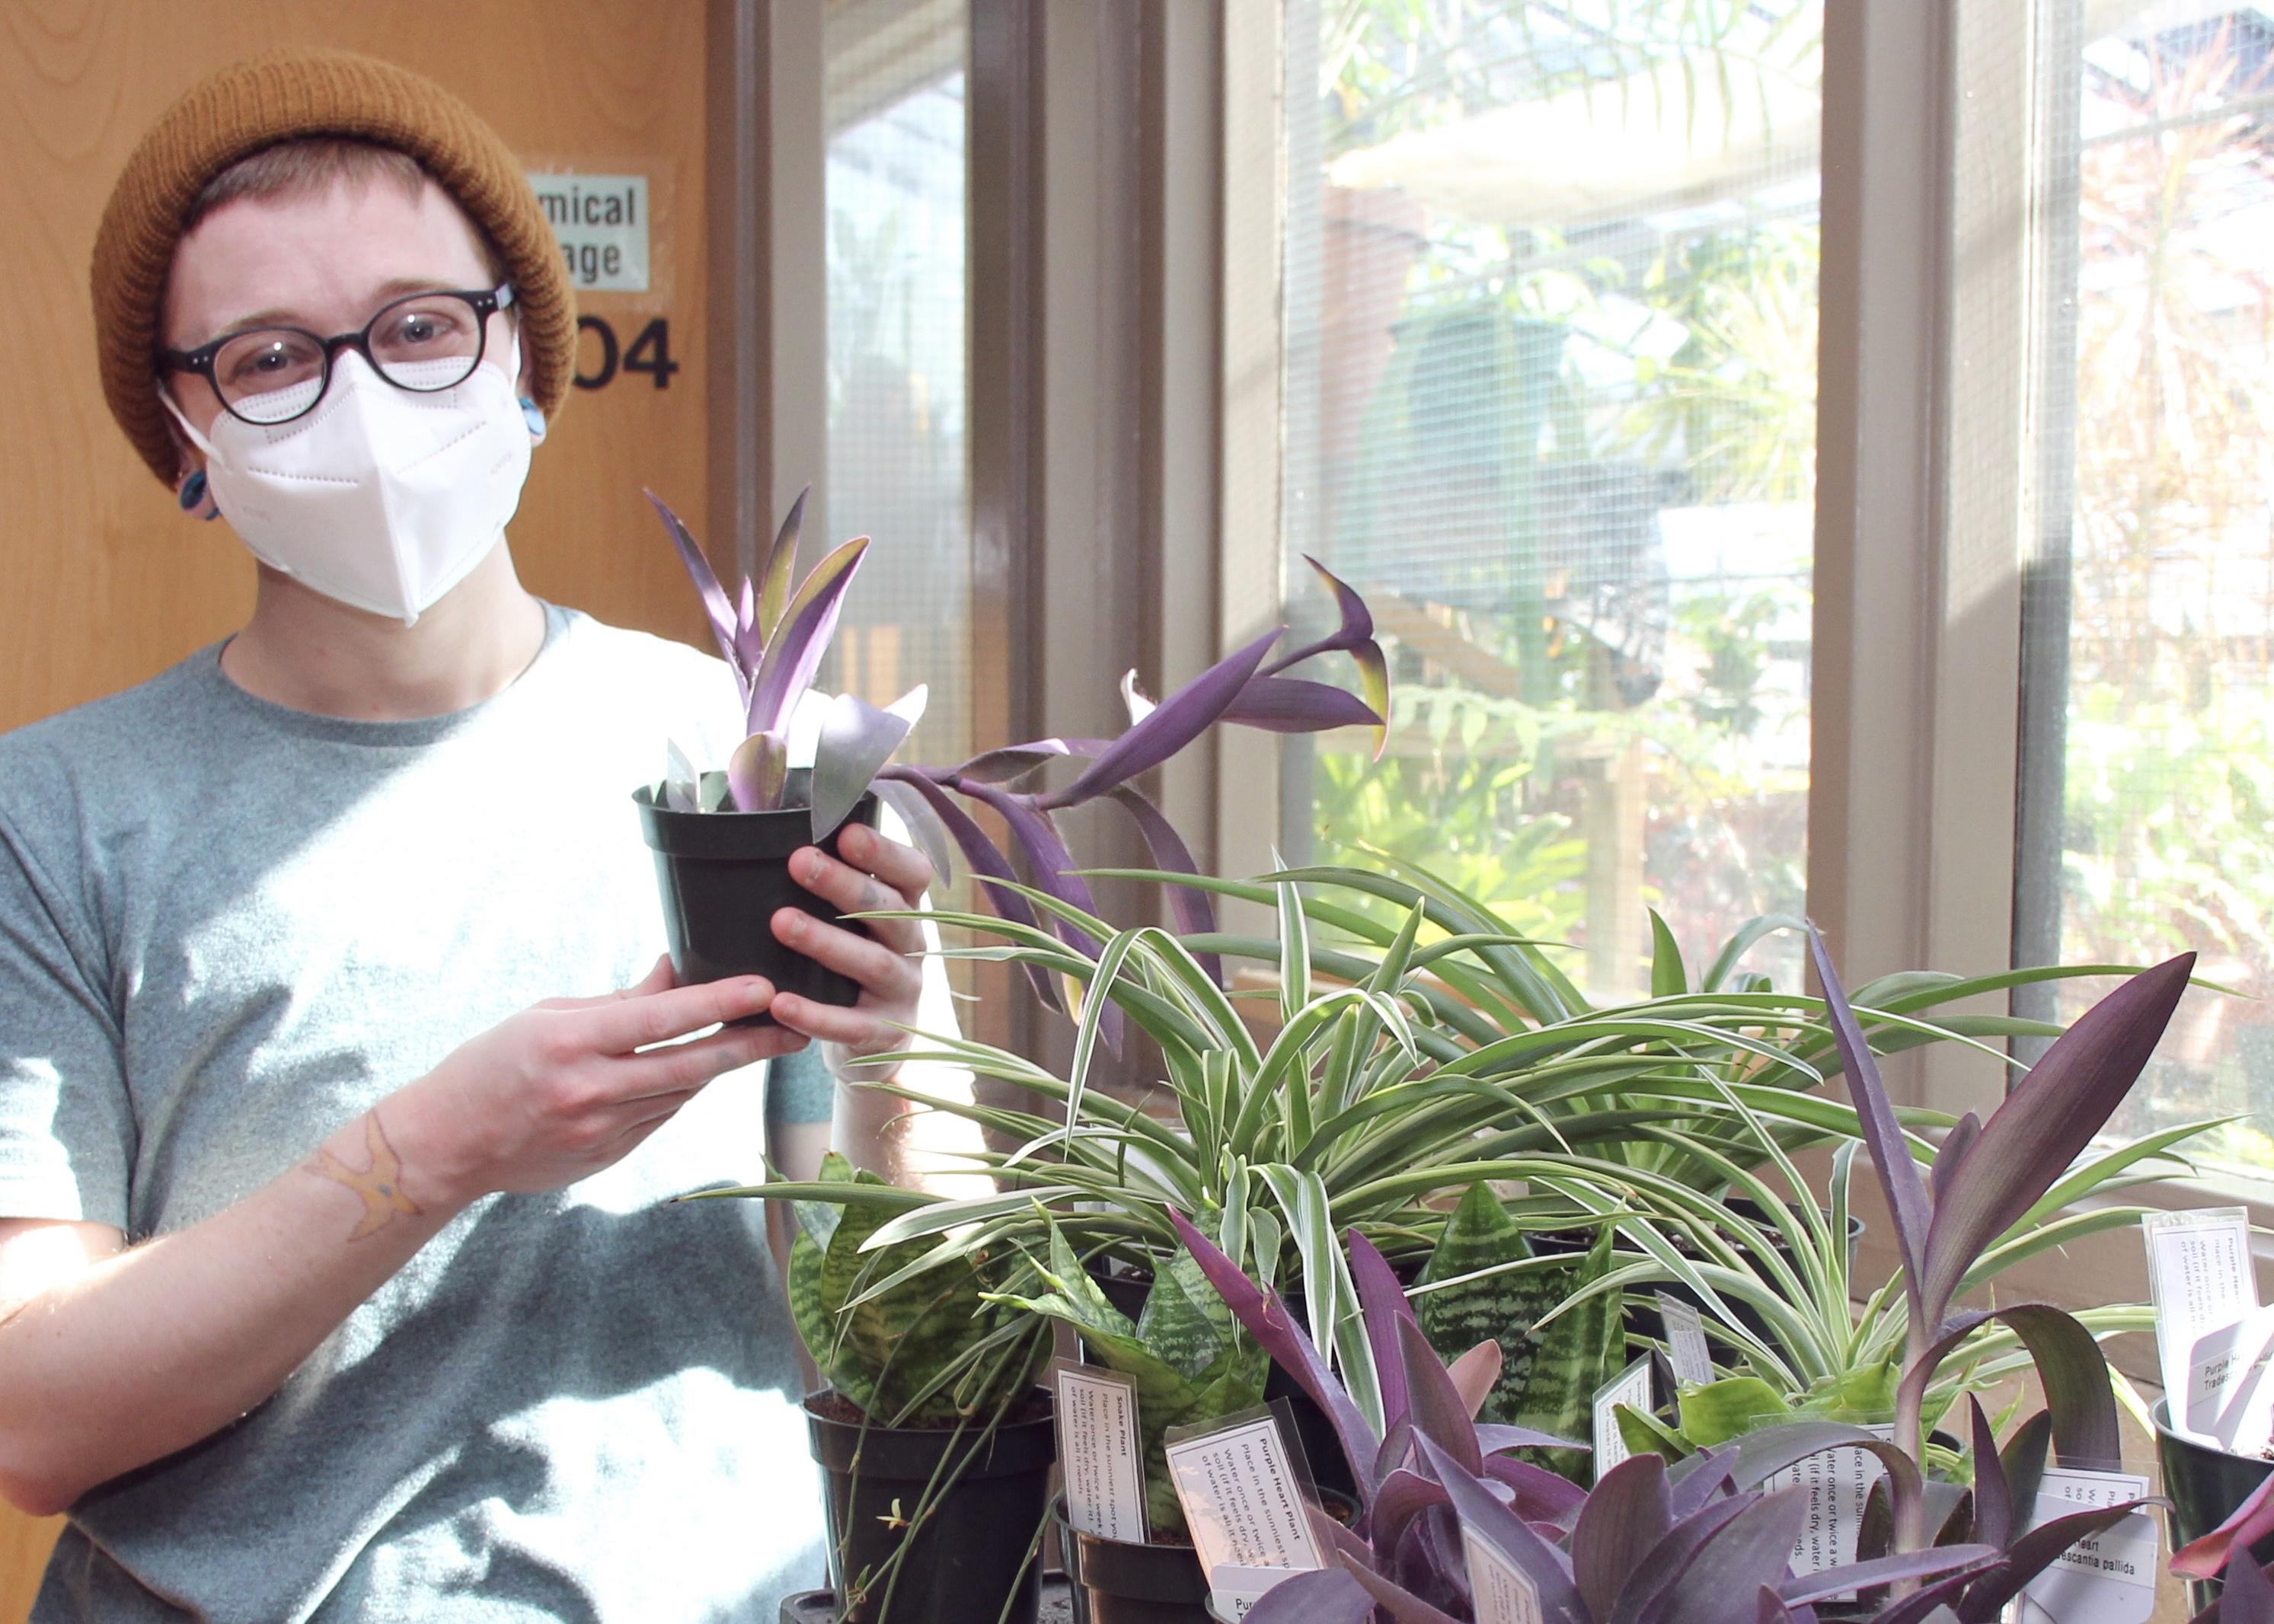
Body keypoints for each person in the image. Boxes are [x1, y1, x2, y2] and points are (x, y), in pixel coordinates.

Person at [0, 47, 966, 1622]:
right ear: (182, 431)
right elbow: (30, 1410)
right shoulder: (47, 815)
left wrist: (893, 1063)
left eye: (419, 327)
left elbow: (913, 1340)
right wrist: (433, 1148)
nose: (365, 397)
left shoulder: (740, 754)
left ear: (524, 364)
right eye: (265, 359)